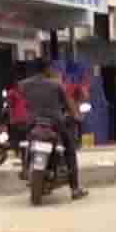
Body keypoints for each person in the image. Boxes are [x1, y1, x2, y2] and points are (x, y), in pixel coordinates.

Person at [20, 58, 86, 199]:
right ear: (47, 69)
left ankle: (25, 167)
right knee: (70, 150)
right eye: (51, 68)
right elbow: (68, 103)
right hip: (55, 123)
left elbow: (23, 103)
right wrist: (76, 116)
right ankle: (75, 189)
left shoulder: (23, 85)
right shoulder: (56, 85)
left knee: (25, 143)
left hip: (32, 123)